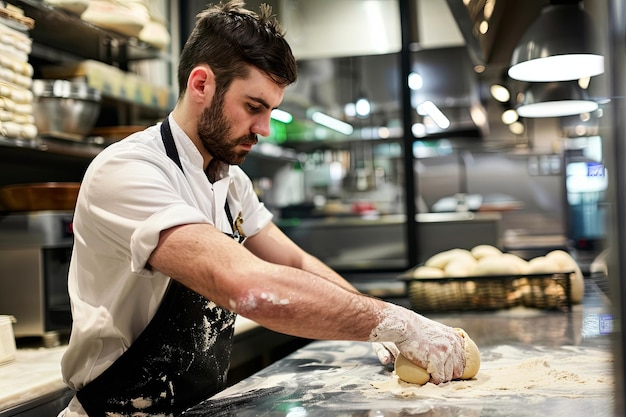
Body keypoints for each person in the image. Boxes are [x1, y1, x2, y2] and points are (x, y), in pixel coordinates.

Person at [58, 1, 467, 416]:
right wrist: (393, 321)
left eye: (271, 110)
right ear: (201, 84)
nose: (264, 128)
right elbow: (245, 285)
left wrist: (381, 325)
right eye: (254, 107)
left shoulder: (230, 180)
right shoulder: (129, 170)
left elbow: (294, 261)